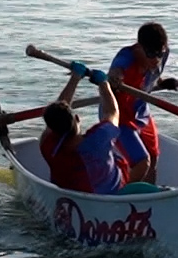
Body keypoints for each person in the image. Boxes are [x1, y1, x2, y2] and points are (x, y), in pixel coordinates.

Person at [38, 64, 150, 195]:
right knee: (142, 160)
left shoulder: (47, 145)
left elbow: (57, 114)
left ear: (51, 127)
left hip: (72, 194)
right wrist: (103, 83)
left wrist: (75, 78)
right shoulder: (99, 138)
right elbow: (112, 112)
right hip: (113, 194)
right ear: (77, 118)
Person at [107, 22, 178, 180]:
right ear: (139, 47)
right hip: (119, 117)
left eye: (159, 54)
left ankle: (149, 196)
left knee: (153, 158)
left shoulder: (164, 53)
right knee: (142, 162)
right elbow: (115, 72)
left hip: (140, 112)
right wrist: (115, 79)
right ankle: (122, 198)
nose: (156, 59)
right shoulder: (126, 57)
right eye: (150, 54)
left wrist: (162, 83)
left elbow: (150, 78)